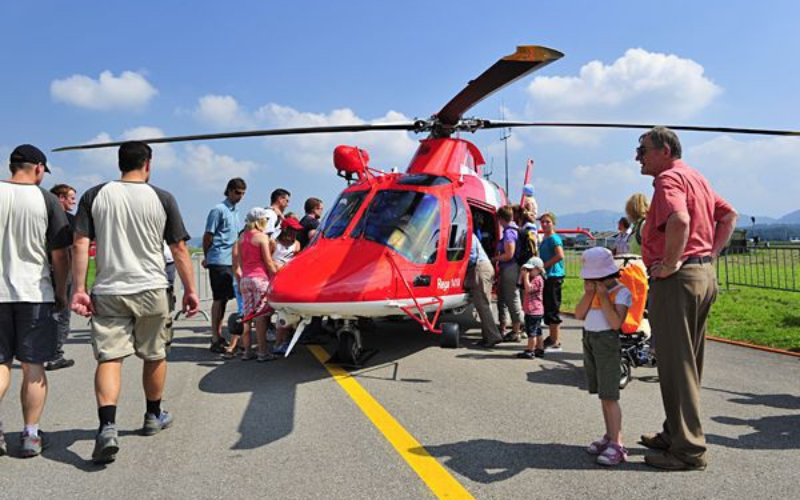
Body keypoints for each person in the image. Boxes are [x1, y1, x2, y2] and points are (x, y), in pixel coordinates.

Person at [71, 141, 200, 465]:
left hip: (109, 287)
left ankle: (107, 427)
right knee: (155, 354)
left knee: (110, 359)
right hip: (153, 287)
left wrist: (79, 289)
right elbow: (180, 248)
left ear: (120, 163)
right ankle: (153, 416)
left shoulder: (94, 195)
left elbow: (80, 242)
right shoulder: (162, 197)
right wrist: (190, 289)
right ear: (148, 163)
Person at [636, 127, 737, 471]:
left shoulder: (668, 180)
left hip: (678, 281)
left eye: (643, 149)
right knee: (688, 362)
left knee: (676, 366)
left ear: (664, 150)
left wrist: (670, 262)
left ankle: (688, 451)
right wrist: (710, 255)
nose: (638, 156)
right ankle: (675, 432)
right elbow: (727, 215)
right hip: (702, 276)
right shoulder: (695, 177)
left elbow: (679, 219)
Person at [0, 145, 71, 458]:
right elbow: (60, 255)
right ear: (39, 168)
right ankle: (30, 435)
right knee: (33, 367)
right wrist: (61, 292)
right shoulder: (47, 201)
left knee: (1, 364)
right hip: (34, 294)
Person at [574, 247, 631, 467]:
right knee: (602, 395)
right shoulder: (593, 292)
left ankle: (617, 443)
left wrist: (603, 297)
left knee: (610, 395)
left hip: (607, 342)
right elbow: (579, 314)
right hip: (590, 340)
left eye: (591, 279)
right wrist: (590, 294)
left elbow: (616, 323)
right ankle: (610, 434)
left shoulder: (621, 292)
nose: (588, 282)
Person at [203, 178, 246, 353]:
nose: (240, 196)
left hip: (231, 261)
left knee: (231, 299)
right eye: (237, 192)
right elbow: (208, 235)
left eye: (243, 193)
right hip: (219, 259)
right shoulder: (218, 210)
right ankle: (215, 336)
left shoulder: (235, 211)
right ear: (229, 190)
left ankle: (226, 336)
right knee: (219, 299)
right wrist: (208, 256)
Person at [235, 207, 279, 362]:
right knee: (260, 316)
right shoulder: (261, 238)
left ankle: (247, 351)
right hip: (260, 279)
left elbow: (240, 263)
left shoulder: (241, 238)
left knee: (247, 316)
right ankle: (262, 352)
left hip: (245, 279)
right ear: (261, 220)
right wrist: (276, 275)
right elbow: (267, 261)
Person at [46, 183, 78, 371]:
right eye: (71, 197)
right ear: (60, 198)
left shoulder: (42, 216)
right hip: (63, 272)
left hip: (42, 271)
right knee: (62, 312)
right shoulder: (69, 221)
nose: (73, 200)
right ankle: (55, 354)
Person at [270, 217, 303, 355]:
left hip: (291, 280)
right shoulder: (274, 243)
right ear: (284, 229)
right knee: (280, 314)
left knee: (290, 313)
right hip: (275, 279)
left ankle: (285, 341)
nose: (294, 233)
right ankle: (277, 343)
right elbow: (268, 260)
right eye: (292, 230)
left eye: (296, 230)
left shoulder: (296, 244)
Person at [492, 205, 524, 342]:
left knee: (512, 298)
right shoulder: (514, 229)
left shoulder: (509, 233)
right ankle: (512, 327)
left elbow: (509, 254)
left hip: (510, 268)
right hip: (511, 268)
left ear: (501, 219)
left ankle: (517, 329)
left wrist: (495, 259)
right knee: (507, 298)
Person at [469, 233, 503, 348]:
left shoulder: (468, 236)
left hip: (481, 268)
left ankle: (493, 336)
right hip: (486, 267)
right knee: (485, 303)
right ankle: (487, 336)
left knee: (481, 304)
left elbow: (470, 256)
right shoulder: (471, 235)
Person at [539, 212, 565, 351]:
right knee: (548, 307)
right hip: (548, 276)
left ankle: (555, 340)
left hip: (554, 276)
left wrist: (545, 265)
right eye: (542, 222)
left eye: (547, 222)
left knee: (553, 308)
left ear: (553, 224)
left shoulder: (554, 238)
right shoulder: (545, 238)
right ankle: (551, 337)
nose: (544, 224)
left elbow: (560, 255)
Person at [515, 257, 546, 359]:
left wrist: (526, 277)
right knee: (537, 330)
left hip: (534, 311)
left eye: (530, 270)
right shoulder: (533, 279)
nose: (528, 272)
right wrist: (522, 275)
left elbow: (528, 289)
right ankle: (540, 349)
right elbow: (519, 285)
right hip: (533, 310)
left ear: (538, 269)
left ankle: (530, 350)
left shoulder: (538, 279)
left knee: (531, 332)